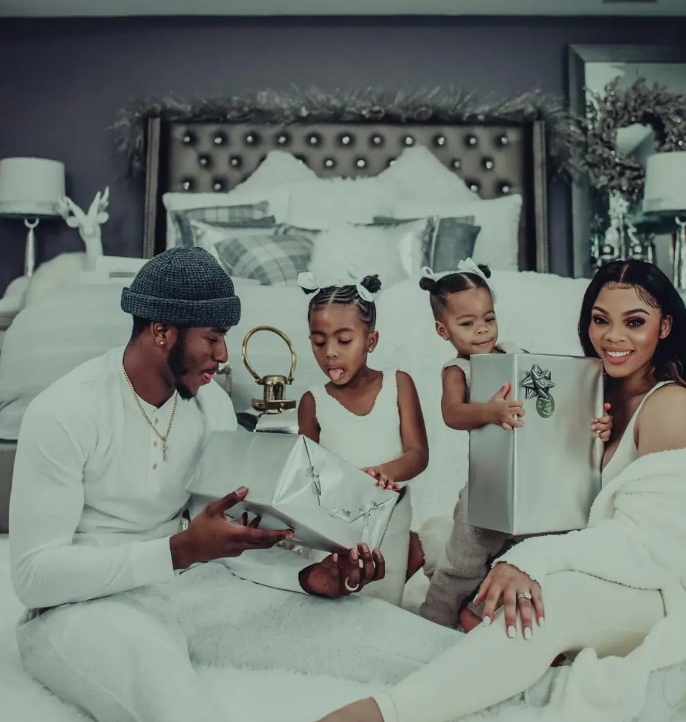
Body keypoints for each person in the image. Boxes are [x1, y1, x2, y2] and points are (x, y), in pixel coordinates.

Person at [9, 247, 458, 722]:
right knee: (167, 694)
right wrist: (178, 551)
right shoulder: (65, 412)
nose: (223, 357)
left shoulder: (210, 408)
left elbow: (229, 541)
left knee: (387, 636)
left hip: (195, 588)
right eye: (214, 337)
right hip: (85, 606)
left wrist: (305, 579)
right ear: (161, 331)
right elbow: (33, 578)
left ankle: (533, 679)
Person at [318, 258, 686, 722]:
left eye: (635, 322)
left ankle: (390, 711)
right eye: (600, 319)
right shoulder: (589, 388)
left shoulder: (671, 406)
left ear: (666, 325)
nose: (613, 337)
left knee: (551, 597)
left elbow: (648, 545)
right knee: (470, 538)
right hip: (588, 556)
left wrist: (530, 561)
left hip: (656, 586)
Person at [418, 261, 611, 630]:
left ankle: (478, 616)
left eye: (488, 319)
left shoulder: (514, 353)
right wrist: (489, 411)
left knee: (523, 555)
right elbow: (452, 414)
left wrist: (588, 412)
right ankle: (433, 621)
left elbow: (548, 396)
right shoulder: (458, 370)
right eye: (467, 323)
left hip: (530, 482)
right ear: (443, 330)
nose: (481, 331)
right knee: (463, 562)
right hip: (486, 487)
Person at [297, 271, 428, 605]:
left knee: (383, 599)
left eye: (344, 340)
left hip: (389, 519)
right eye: (318, 341)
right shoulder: (313, 401)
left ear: (371, 340)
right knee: (336, 604)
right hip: (334, 524)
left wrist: (388, 472)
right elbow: (306, 471)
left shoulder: (398, 384)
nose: (330, 353)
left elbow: (417, 453)